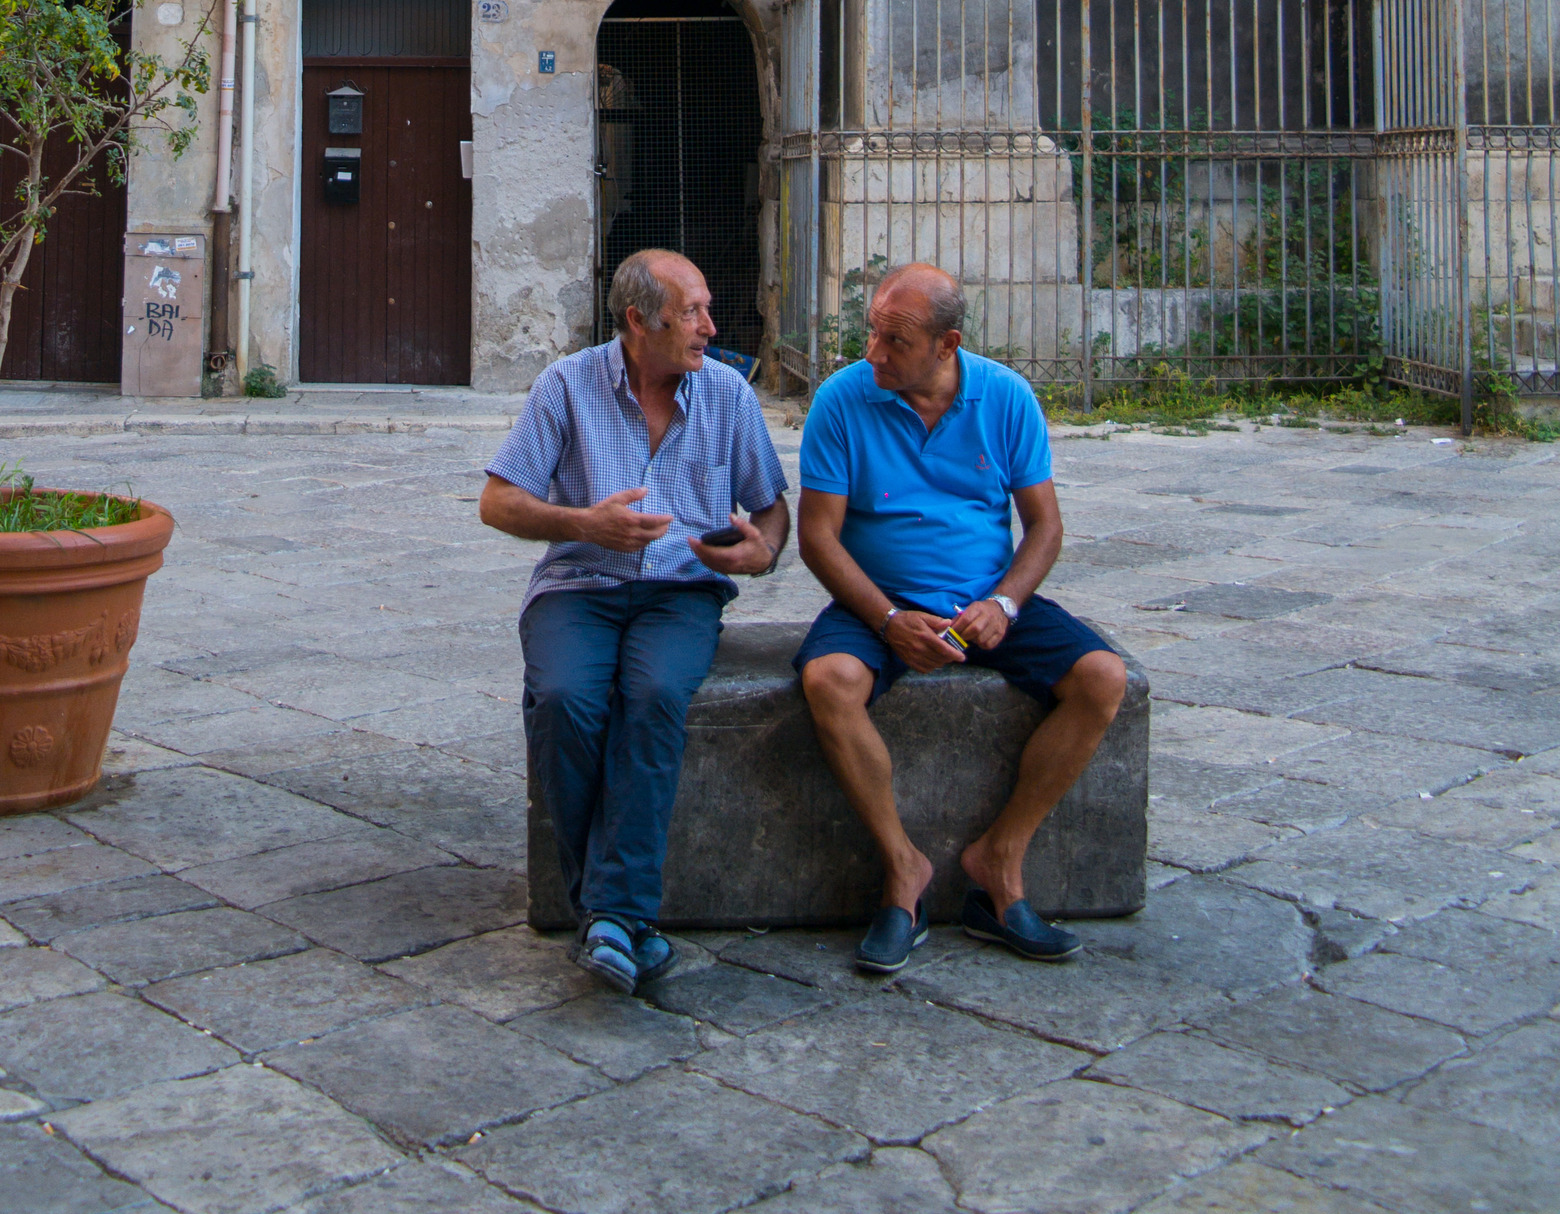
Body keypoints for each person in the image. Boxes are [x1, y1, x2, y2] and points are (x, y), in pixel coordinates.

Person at [794, 264, 1127, 977]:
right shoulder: (842, 400)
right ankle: (903, 869)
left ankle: (1000, 858)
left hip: (986, 599)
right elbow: (817, 537)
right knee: (829, 681)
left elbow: (1044, 527)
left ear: (947, 345)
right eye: (872, 333)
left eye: (895, 341)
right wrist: (888, 619)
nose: (874, 352)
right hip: (879, 600)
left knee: (1103, 678)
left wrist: (1005, 603)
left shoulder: (1005, 397)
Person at [481, 248, 790, 992]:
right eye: (692, 313)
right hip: (577, 585)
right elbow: (498, 502)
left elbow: (772, 509)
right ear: (639, 322)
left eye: (707, 309)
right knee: (565, 700)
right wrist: (583, 523)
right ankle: (620, 919)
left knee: (653, 696)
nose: (710, 327)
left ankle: (606, 916)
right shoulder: (567, 384)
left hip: (681, 590)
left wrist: (763, 551)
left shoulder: (727, 393)